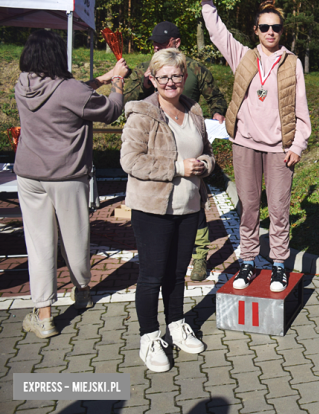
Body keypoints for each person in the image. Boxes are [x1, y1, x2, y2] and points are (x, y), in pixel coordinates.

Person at [197, 0, 311, 292]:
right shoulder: (244, 58)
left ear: (281, 30)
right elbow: (216, 29)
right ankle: (248, 262)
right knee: (248, 208)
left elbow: (302, 111)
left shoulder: (292, 63)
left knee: (277, 210)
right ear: (256, 30)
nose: (270, 32)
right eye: (265, 27)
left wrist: (297, 146)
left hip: (279, 148)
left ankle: (277, 265)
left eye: (276, 27)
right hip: (244, 144)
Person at [14, 29, 127, 338]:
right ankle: (82, 291)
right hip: (67, 176)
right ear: (57, 57)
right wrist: (117, 81)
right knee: (75, 237)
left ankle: (44, 314)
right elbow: (111, 111)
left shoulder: (21, 85)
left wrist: (101, 79)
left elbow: (70, 94)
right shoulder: (70, 91)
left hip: (29, 175)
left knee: (39, 246)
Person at [121, 48, 215, 372]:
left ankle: (176, 324)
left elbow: (209, 152)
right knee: (151, 276)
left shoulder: (194, 110)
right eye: (163, 76)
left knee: (177, 274)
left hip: (188, 207)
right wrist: (176, 166)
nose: (170, 81)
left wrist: (205, 164)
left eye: (176, 75)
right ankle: (149, 337)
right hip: (152, 209)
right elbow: (130, 161)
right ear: (153, 78)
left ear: (184, 77)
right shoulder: (142, 113)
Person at [124, 21, 228, 282]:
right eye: (154, 44)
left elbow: (216, 97)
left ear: (177, 44)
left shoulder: (195, 68)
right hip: (159, 150)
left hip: (189, 142)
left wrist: (217, 112)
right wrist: (149, 81)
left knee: (195, 206)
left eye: (163, 44)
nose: (157, 47)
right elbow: (128, 100)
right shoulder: (147, 69)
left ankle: (200, 255)